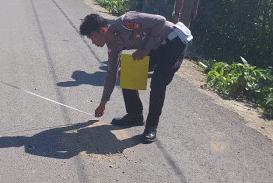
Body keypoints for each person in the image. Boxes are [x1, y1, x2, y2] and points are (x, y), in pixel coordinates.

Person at [79, 12, 190, 144]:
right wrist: (103, 104)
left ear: (102, 30)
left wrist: (146, 49)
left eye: (92, 37)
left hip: (174, 41)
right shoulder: (113, 47)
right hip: (156, 46)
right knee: (127, 71)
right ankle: (135, 115)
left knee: (158, 83)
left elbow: (160, 20)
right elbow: (111, 74)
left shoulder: (126, 23)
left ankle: (151, 127)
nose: (93, 42)